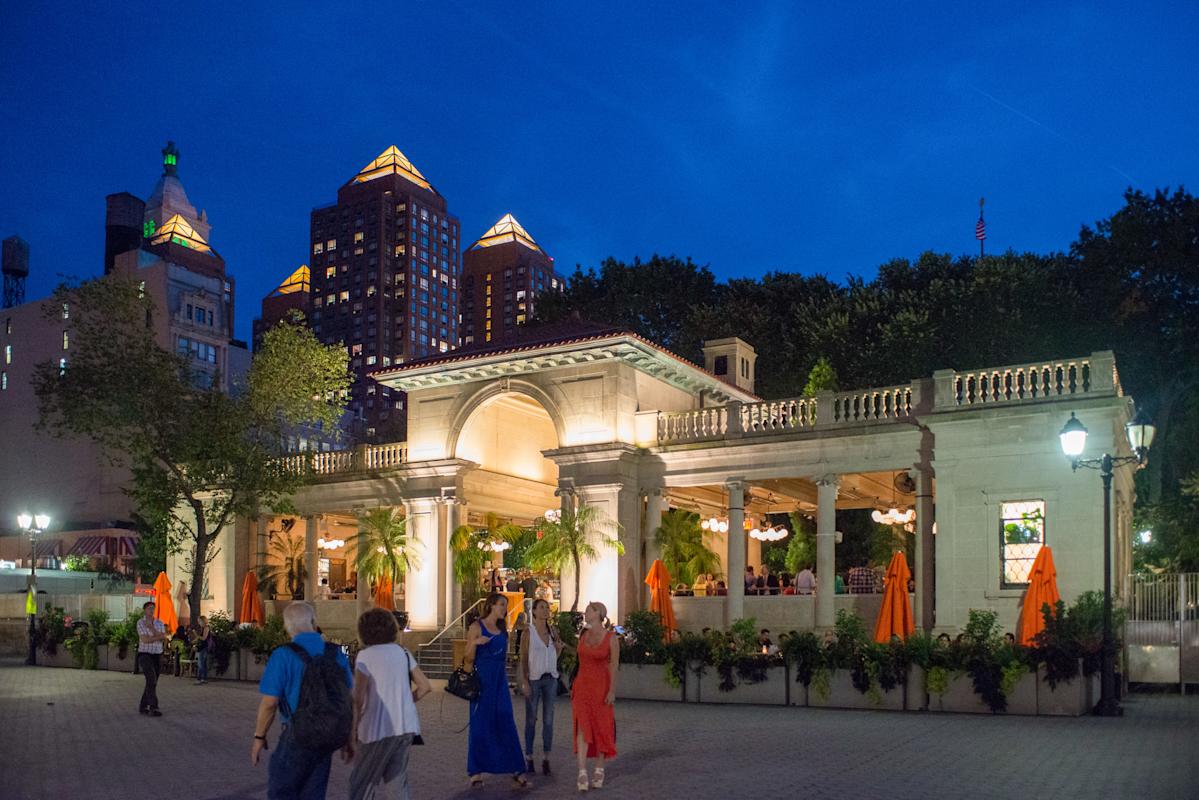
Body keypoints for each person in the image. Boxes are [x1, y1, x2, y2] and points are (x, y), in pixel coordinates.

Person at [251, 601, 353, 800]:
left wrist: (259, 737)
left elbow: (270, 703)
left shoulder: (283, 655)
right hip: (326, 736)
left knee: (281, 792)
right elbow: (351, 698)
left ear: (287, 627)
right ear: (314, 622)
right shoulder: (335, 653)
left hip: (296, 734)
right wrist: (349, 736)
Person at [348, 607, 431, 800]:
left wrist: (352, 729)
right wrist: (405, 700)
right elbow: (425, 686)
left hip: (376, 728)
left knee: (362, 783)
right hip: (405, 726)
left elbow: (358, 698)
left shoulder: (365, 656)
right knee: (396, 783)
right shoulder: (403, 652)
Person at [464, 593, 529, 789]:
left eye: (505, 605)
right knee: (480, 726)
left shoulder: (502, 630)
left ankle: (516, 769)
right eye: (501, 605)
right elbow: (467, 660)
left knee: (506, 721)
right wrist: (475, 644)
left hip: (499, 683)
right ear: (491, 605)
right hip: (482, 682)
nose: (504, 609)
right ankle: (475, 772)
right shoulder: (476, 627)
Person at [572, 601, 618, 792]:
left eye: (590, 610)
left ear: (599, 613)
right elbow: (579, 658)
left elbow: (614, 664)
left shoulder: (611, 637)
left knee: (601, 727)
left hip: (601, 686)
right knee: (583, 726)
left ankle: (599, 768)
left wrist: (612, 690)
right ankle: (582, 771)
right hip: (582, 686)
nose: (586, 612)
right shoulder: (583, 634)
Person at [520, 598, 563, 777]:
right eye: (542, 608)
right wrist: (525, 681)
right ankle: (529, 756)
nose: (546, 610)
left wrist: (559, 650)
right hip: (534, 680)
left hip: (551, 678)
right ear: (534, 611)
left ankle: (546, 757)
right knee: (531, 719)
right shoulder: (528, 633)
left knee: (548, 720)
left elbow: (555, 654)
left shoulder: (553, 631)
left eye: (547, 607)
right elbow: (523, 658)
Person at [136, 601, 168, 716]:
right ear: (145, 610)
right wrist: (157, 636)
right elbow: (144, 640)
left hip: (157, 654)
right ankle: (153, 707)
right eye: (149, 608)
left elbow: (163, 637)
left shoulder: (159, 622)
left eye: (153, 608)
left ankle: (143, 706)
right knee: (151, 679)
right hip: (145, 654)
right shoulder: (140, 622)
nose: (151, 610)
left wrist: (152, 629)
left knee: (152, 682)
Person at [192, 615, 211, 685]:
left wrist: (196, 634)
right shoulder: (203, 628)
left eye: (199, 621)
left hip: (204, 648)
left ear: (203, 621)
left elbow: (204, 638)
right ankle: (204, 678)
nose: (199, 623)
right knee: (203, 663)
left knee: (200, 664)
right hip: (203, 647)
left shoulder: (206, 628)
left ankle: (199, 679)